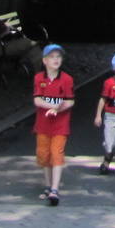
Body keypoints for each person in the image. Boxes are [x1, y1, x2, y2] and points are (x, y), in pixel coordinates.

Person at [32, 43, 75, 206]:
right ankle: (48, 185)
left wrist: (59, 108)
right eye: (52, 57)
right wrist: (52, 107)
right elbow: (37, 99)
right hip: (43, 125)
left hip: (60, 125)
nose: (56, 60)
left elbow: (70, 101)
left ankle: (55, 189)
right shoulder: (39, 79)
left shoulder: (66, 79)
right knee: (44, 155)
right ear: (45, 61)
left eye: (58, 57)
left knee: (57, 153)